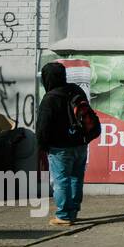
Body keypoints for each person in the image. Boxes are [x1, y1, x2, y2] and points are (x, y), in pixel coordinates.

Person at [35, 62, 90, 227]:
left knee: (61, 180)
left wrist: (42, 146)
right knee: (76, 178)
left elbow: (43, 127)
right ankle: (72, 212)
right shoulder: (76, 91)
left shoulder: (50, 98)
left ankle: (64, 215)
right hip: (80, 144)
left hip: (60, 148)